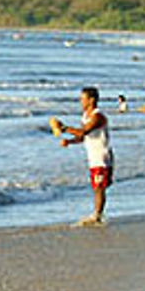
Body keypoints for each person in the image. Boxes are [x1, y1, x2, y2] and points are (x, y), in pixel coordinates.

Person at [50, 86, 114, 226]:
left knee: (99, 187)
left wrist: (64, 128)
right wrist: (70, 141)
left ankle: (97, 215)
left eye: (82, 99)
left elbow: (84, 131)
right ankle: (97, 214)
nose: (81, 102)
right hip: (93, 156)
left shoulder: (98, 117)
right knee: (96, 186)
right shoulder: (85, 117)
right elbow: (83, 137)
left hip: (102, 157)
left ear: (91, 100)